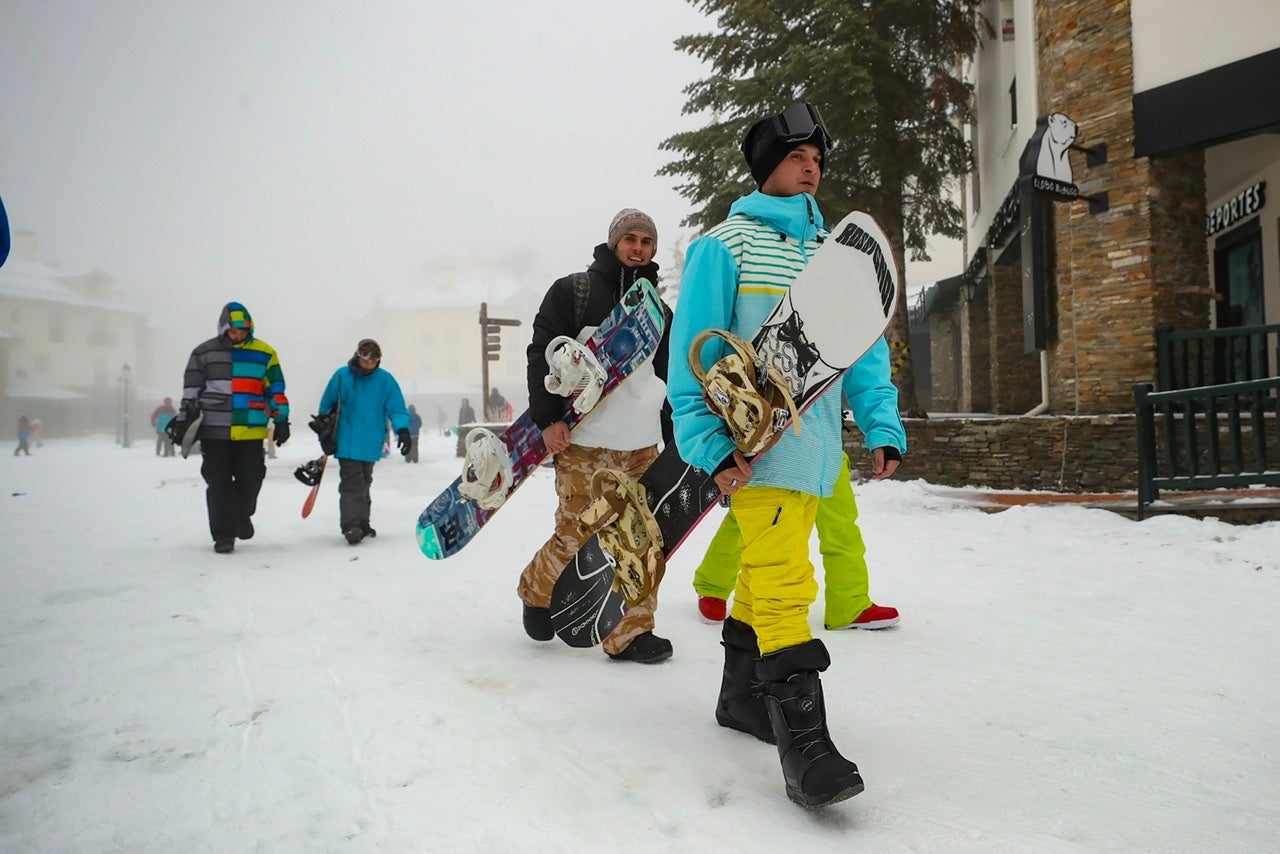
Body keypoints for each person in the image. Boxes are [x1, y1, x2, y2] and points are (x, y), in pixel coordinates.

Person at [667, 103, 904, 808]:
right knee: (783, 584)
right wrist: (710, 447)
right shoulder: (724, 247)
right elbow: (691, 359)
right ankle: (807, 747)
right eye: (798, 155)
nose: (812, 167)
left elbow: (863, 352)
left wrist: (881, 422)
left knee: (761, 575)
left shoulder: (833, 253)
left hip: (818, 455)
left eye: (818, 158)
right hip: (757, 452)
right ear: (767, 163)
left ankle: (741, 699)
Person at [518, 207, 674, 664]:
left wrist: (675, 438)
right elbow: (540, 354)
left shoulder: (660, 312)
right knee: (577, 534)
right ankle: (537, 588)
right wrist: (548, 418)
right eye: (630, 239)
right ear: (614, 242)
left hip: (641, 442)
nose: (638, 249)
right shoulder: (574, 292)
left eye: (646, 242)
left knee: (641, 538)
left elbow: (669, 379)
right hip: (585, 440)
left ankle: (631, 632)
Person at [693, 448, 902, 629]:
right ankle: (713, 587)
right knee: (748, 523)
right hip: (774, 451)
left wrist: (885, 436)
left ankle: (849, 603)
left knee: (842, 527)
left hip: (828, 450)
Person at [171, 302, 291, 554]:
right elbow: (191, 391)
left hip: (251, 429)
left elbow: (275, 389)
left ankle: (241, 513)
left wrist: (281, 419)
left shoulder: (265, 353)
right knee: (218, 483)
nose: (238, 336)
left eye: (243, 331)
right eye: (233, 331)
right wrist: (184, 420)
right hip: (215, 429)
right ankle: (223, 535)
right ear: (223, 329)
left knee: (252, 478)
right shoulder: (203, 353)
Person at [316, 338, 411, 545]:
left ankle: (362, 521)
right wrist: (324, 433)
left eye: (373, 361)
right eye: (365, 360)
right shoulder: (342, 376)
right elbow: (326, 407)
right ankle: (351, 526)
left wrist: (402, 429)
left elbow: (396, 408)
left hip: (371, 441)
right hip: (346, 441)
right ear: (357, 356)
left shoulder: (385, 381)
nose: (369, 365)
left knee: (365, 482)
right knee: (353, 484)